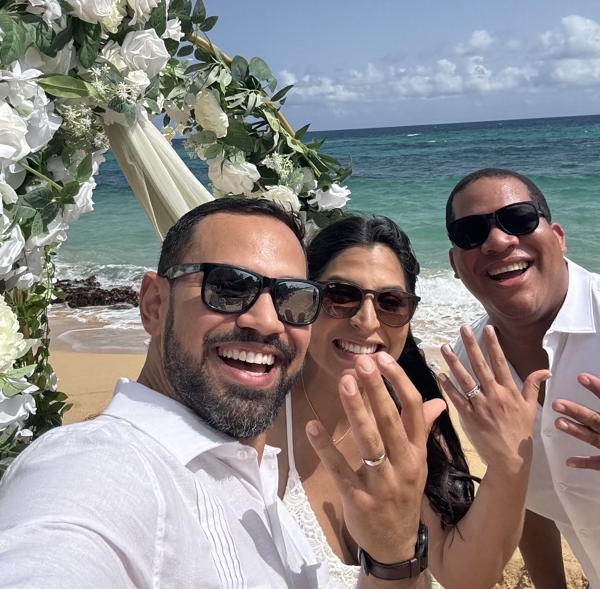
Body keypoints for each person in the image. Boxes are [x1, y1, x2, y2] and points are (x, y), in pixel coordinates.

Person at [0, 197, 448, 589]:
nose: (268, 321)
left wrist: (391, 557)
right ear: (154, 304)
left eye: (291, 297)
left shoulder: (249, 471)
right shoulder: (96, 470)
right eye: (229, 287)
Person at [268, 215, 549, 589]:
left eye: (390, 302)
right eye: (341, 295)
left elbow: (466, 576)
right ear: (307, 296)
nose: (367, 321)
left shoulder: (413, 424)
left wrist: (511, 464)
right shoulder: (260, 416)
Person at [445, 167, 600, 589]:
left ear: (558, 236)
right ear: (455, 264)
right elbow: (525, 495)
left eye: (519, 219)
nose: (497, 241)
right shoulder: (470, 364)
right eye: (471, 231)